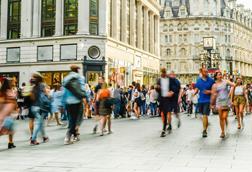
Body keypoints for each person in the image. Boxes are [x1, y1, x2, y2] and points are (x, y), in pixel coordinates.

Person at [62, 65, 86, 145]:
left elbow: (64, 92)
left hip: (68, 102)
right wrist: (86, 98)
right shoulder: (80, 78)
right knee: (77, 119)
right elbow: (82, 90)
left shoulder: (66, 78)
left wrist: (62, 103)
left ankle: (75, 135)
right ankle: (68, 137)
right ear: (77, 70)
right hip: (77, 101)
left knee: (71, 119)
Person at [157, 68, 181, 137]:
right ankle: (168, 125)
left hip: (168, 99)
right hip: (161, 99)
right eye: (161, 73)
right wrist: (157, 88)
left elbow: (176, 87)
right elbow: (157, 89)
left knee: (166, 113)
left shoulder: (170, 80)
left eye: (163, 73)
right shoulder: (159, 80)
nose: (162, 74)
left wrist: (172, 92)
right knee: (162, 114)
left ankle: (164, 129)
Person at [211, 71, 234, 138]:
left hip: (226, 102)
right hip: (219, 102)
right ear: (216, 76)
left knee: (224, 117)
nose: (220, 75)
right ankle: (222, 132)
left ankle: (225, 123)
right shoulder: (214, 85)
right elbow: (213, 94)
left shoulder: (225, 81)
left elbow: (233, 85)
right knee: (221, 118)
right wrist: (212, 104)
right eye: (219, 74)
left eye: (221, 74)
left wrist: (230, 93)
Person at [30, 73, 50, 145]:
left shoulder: (33, 87)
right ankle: (33, 139)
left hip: (33, 107)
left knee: (41, 123)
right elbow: (47, 94)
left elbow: (32, 98)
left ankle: (44, 137)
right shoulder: (42, 85)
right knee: (39, 123)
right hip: (41, 107)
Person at [194, 67, 215, 138]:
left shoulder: (211, 80)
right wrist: (193, 95)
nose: (206, 73)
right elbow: (197, 88)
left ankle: (204, 130)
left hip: (208, 100)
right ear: (201, 72)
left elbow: (215, 90)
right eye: (205, 72)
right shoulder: (198, 80)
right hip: (200, 100)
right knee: (200, 115)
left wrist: (209, 92)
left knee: (205, 115)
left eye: (207, 71)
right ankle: (206, 124)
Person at [0, 77, 17, 149]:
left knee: (11, 129)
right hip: (6, 113)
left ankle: (11, 143)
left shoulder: (9, 91)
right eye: (11, 82)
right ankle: (10, 143)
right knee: (3, 130)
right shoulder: (5, 92)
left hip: (8, 113)